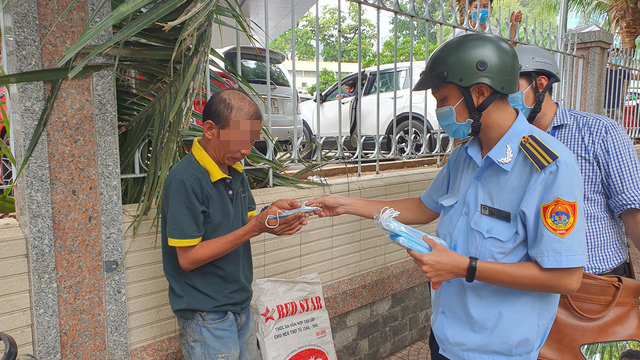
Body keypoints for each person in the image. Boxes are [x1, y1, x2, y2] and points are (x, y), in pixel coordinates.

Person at [310, 33, 586, 360]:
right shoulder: (463, 156)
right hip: (444, 340)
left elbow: (566, 278)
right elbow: (424, 208)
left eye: (442, 99)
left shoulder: (547, 167)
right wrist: (343, 204)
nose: (438, 111)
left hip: (496, 352)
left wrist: (463, 267)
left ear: (479, 93)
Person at [161, 89, 309, 360]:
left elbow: (247, 221)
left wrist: (272, 217)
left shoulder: (234, 168)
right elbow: (188, 258)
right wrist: (256, 228)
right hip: (207, 317)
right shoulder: (185, 181)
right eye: (240, 140)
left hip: (240, 306)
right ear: (209, 129)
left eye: (251, 142)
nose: (246, 151)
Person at [511, 45, 640, 277]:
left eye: (510, 88)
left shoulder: (600, 133)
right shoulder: (507, 142)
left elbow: (633, 213)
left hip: (596, 284)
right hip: (531, 284)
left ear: (540, 85)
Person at [450, 0, 522, 45]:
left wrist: (513, 26)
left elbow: (508, 52)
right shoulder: (458, 34)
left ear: (490, 9)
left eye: (485, 6)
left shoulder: (495, 33)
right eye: (476, 7)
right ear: (470, 10)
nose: (480, 10)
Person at [605, 47, 632, 119]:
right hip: (604, 106)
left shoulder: (622, 72)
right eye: (614, 55)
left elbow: (635, 77)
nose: (617, 57)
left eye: (618, 55)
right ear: (608, 58)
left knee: (619, 127)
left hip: (616, 107)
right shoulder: (604, 71)